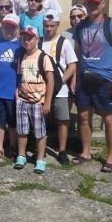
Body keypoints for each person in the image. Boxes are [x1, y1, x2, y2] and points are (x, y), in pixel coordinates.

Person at [73, 0, 112, 173]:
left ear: (102, 4)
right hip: (84, 78)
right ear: (85, 4)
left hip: (105, 78)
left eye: (96, 3)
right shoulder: (80, 26)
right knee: (83, 116)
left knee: (109, 119)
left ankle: (110, 157)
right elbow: (78, 53)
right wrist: (75, 77)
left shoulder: (111, 25)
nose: (93, 6)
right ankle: (86, 152)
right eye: (90, 3)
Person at [14, 26, 54, 174]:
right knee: (22, 130)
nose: (26, 41)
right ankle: (21, 156)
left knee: (39, 132)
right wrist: (17, 91)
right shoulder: (22, 56)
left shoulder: (43, 57)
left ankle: (41, 159)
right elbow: (20, 76)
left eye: (30, 38)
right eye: (24, 37)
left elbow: (50, 81)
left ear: (37, 39)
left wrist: (47, 102)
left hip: (38, 101)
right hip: (23, 100)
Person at [40, 10, 77, 165]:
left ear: (57, 25)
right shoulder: (38, 42)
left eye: (52, 26)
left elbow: (72, 65)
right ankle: (39, 148)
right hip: (41, 88)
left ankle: (62, 150)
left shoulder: (64, 42)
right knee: (40, 119)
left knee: (63, 120)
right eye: (46, 26)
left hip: (60, 89)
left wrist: (61, 80)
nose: (49, 29)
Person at [0, 13, 21, 161]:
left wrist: (20, 88)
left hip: (13, 91)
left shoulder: (20, 45)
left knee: (13, 122)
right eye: (6, 25)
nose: (8, 29)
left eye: (11, 26)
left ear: (16, 28)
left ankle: (13, 147)